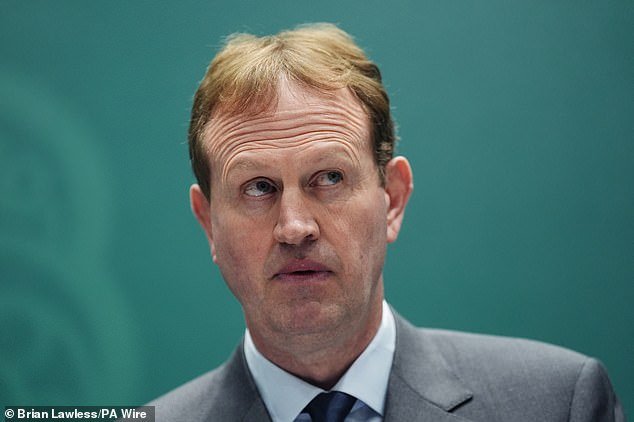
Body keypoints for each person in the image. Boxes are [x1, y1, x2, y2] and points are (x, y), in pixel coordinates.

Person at [150, 23, 625, 422]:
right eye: (258, 187)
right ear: (209, 223)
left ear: (393, 199)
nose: (294, 227)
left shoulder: (558, 402)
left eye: (330, 177)